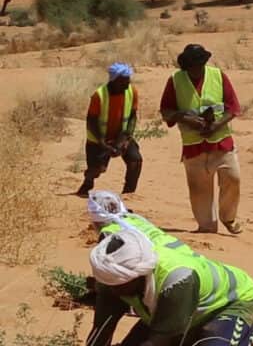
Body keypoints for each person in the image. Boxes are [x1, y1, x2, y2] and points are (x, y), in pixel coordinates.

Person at [81, 227, 253, 346]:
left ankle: (251, 332)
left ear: (138, 275)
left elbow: (155, 344)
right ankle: (190, 330)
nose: (113, 291)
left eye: (120, 286)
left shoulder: (177, 281)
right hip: (182, 305)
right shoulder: (111, 277)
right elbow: (101, 329)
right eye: (109, 284)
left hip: (233, 301)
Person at [160, 44, 243, 234]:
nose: (197, 68)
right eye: (193, 65)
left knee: (233, 178)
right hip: (193, 146)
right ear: (186, 66)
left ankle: (228, 218)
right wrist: (184, 117)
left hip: (221, 143)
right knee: (199, 191)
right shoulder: (175, 80)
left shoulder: (218, 75)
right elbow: (166, 111)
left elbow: (233, 108)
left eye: (200, 64)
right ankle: (207, 228)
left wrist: (216, 125)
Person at [77, 62, 142, 197]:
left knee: (135, 160)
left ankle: (128, 193)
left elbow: (132, 117)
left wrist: (126, 138)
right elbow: (91, 121)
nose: (127, 85)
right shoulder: (99, 96)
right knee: (97, 169)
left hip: (121, 135)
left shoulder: (131, 91)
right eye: (123, 82)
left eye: (128, 81)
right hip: (98, 138)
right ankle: (87, 183)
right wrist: (102, 143)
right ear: (114, 81)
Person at [87, 190, 190, 253]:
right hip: (199, 263)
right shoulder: (137, 219)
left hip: (171, 272)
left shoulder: (108, 234)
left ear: (95, 220)